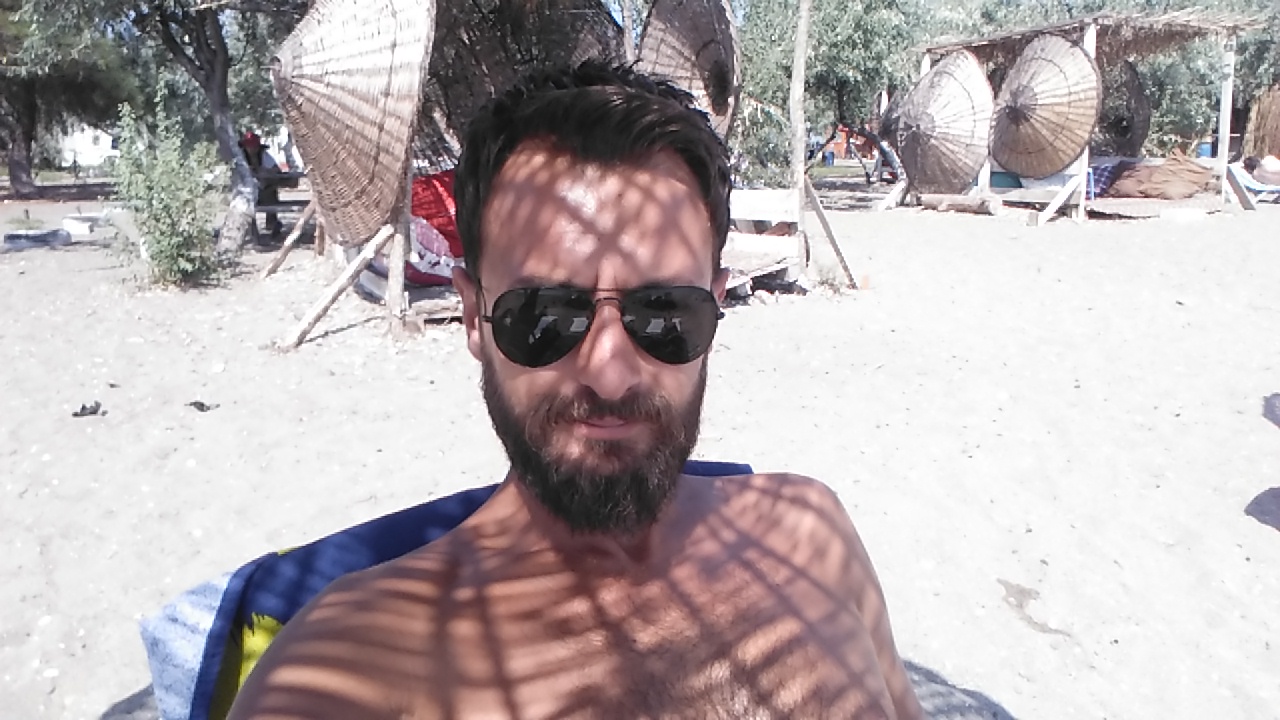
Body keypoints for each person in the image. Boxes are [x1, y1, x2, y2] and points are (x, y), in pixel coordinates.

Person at [228, 61, 922, 719]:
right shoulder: (352, 667)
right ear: (472, 316)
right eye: (544, 317)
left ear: (715, 307)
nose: (610, 373)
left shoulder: (810, 532)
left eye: (665, 314)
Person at [238, 130, 284, 237]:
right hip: (246, 193)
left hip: (262, 190)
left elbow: (276, 170)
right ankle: (249, 228)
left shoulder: (263, 155)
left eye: (254, 146)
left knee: (271, 191)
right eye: (249, 146)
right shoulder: (241, 157)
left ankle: (272, 223)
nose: (252, 149)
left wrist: (265, 171)